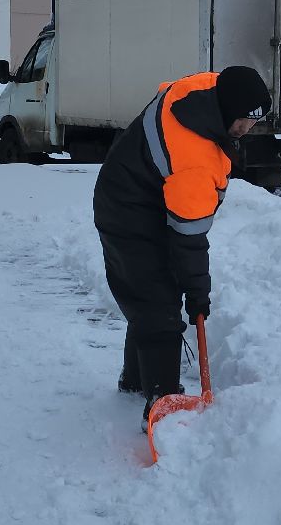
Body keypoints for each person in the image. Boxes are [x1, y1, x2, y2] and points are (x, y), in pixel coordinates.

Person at [93, 65, 271, 427]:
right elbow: (189, 240)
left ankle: (135, 381)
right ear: (227, 109)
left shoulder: (204, 93)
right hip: (127, 213)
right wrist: (197, 293)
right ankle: (162, 401)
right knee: (158, 305)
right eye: (244, 121)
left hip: (141, 195)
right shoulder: (194, 157)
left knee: (149, 295)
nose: (247, 129)